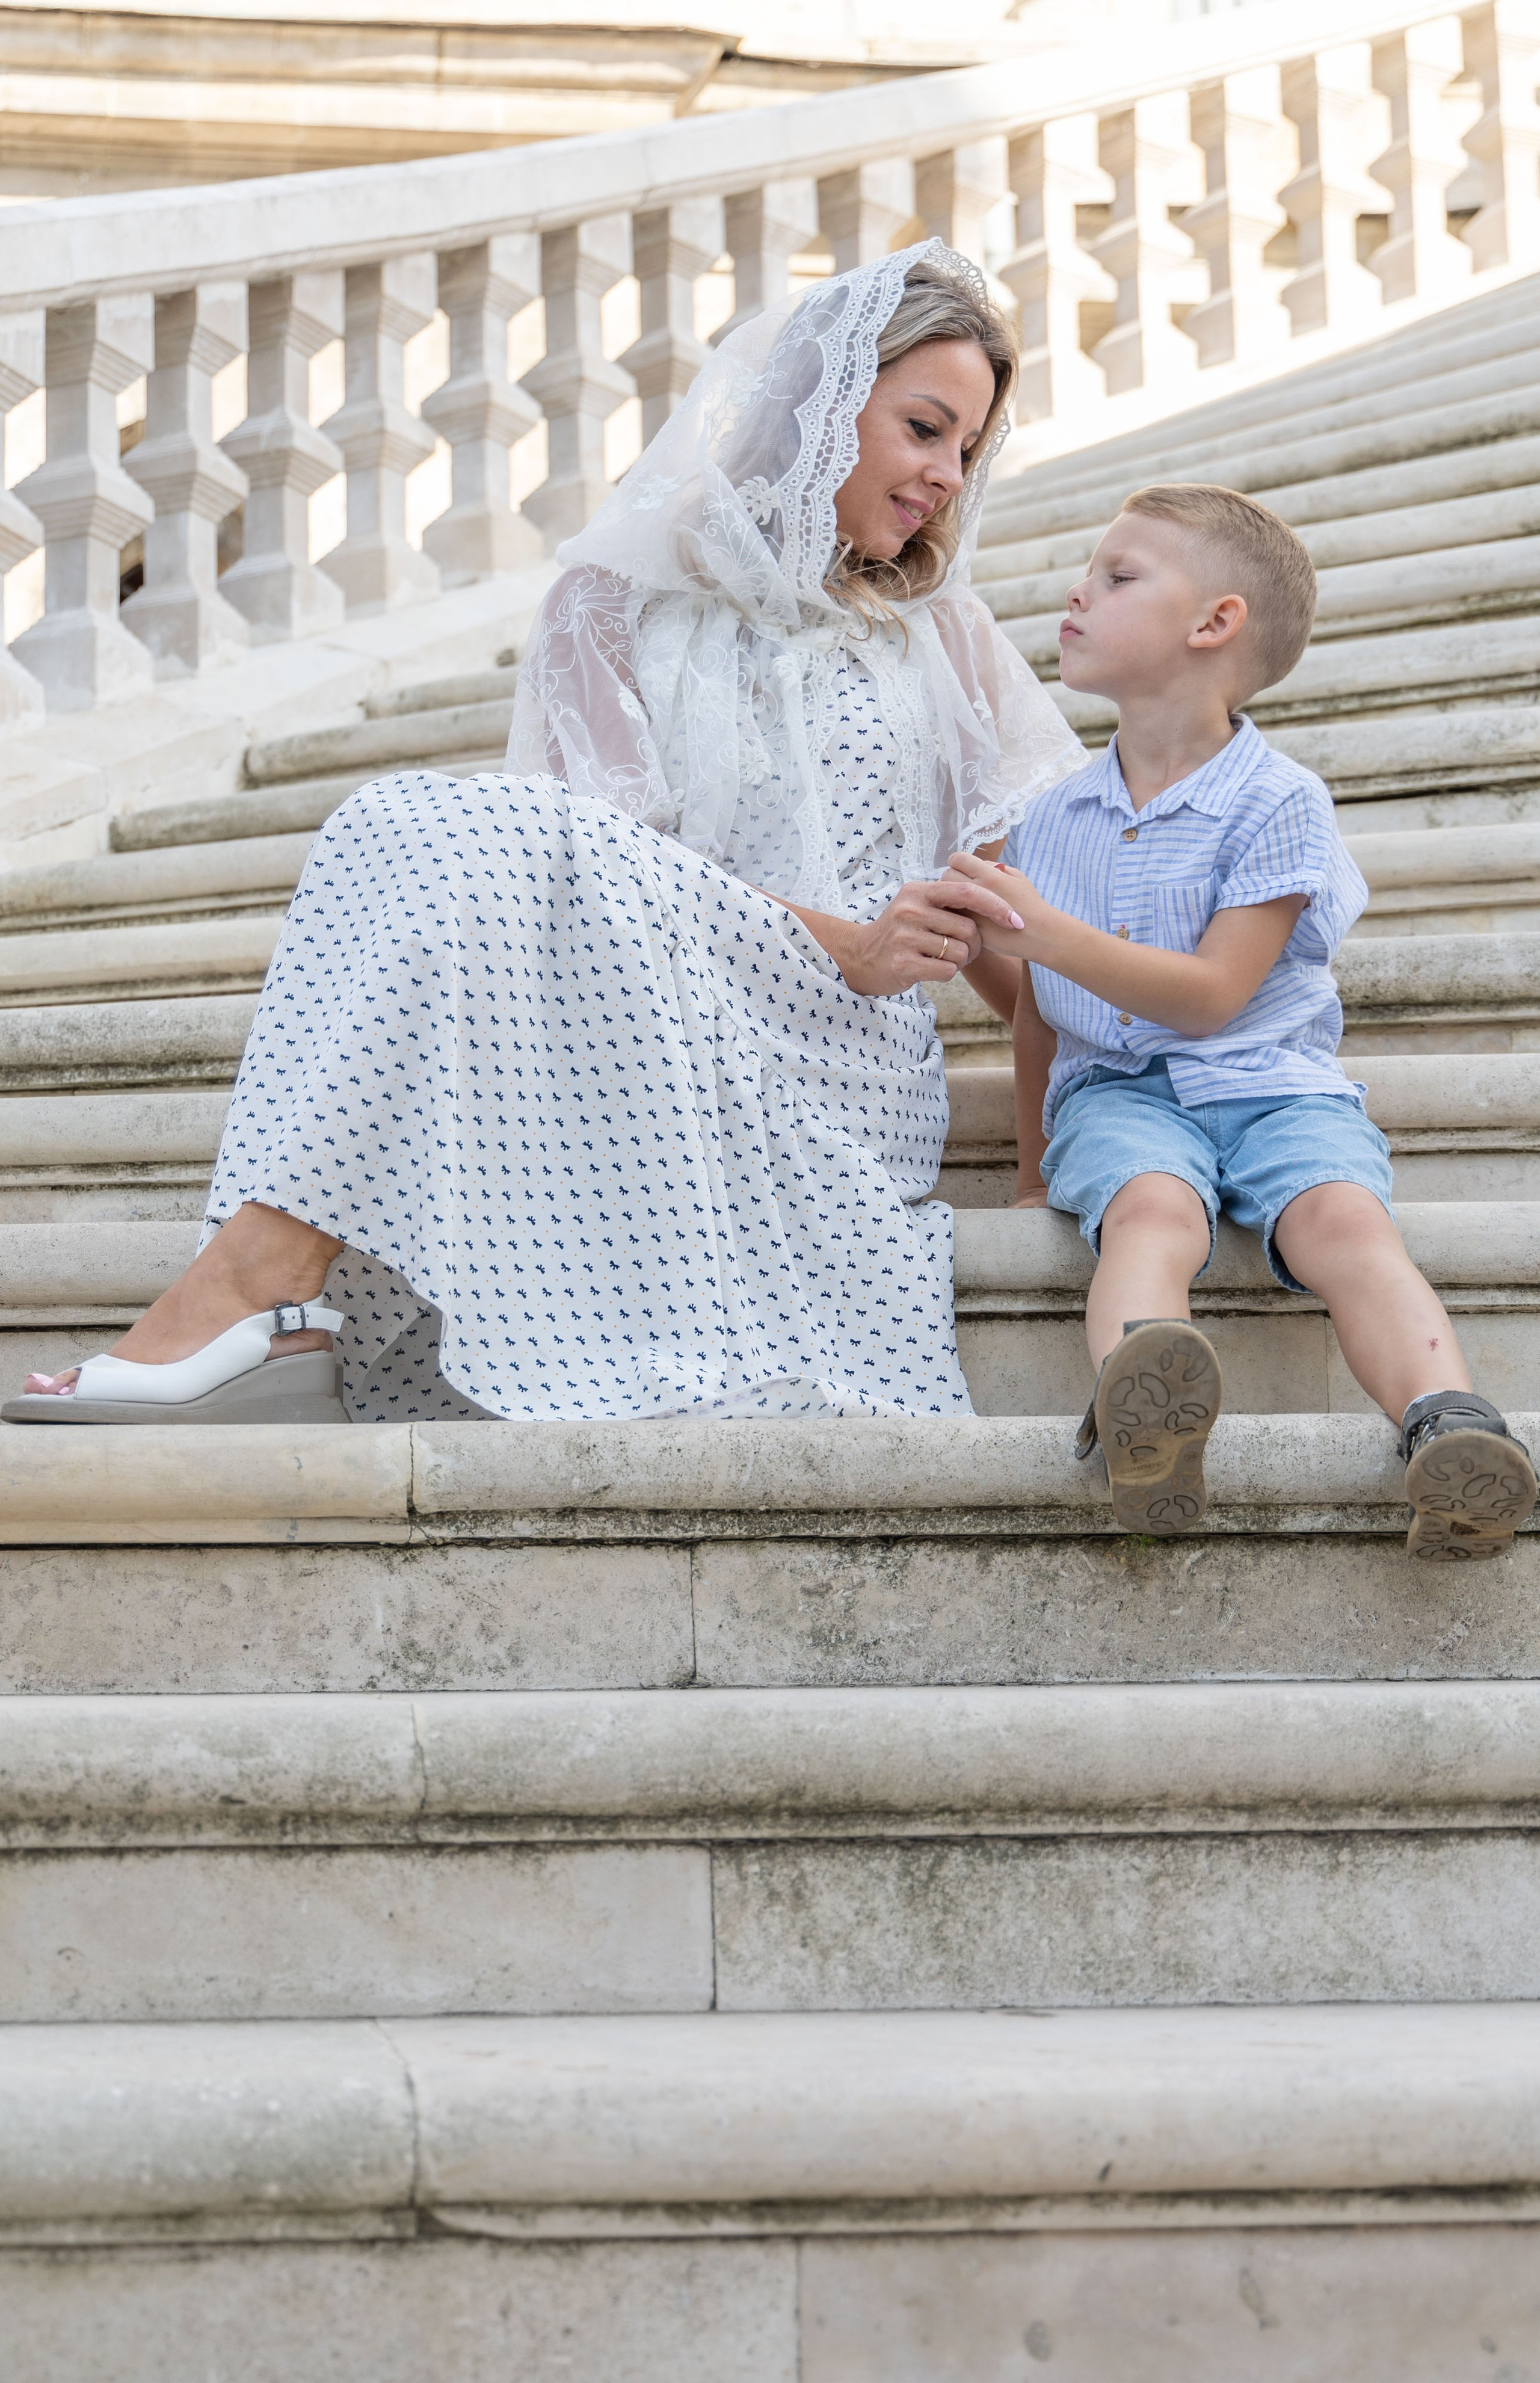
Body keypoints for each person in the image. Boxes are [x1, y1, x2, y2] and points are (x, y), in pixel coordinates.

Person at [5, 242, 1081, 1429]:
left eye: (967, 449)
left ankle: (257, 1295)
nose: (946, 474)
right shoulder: (609, 597)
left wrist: (1052, 1154)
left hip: (837, 1080)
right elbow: (594, 892)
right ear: (822, 401)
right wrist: (854, 939)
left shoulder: (948, 637)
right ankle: (264, 1288)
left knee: (458, 819)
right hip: (642, 1026)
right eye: (923, 427)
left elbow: (1027, 930)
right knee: (410, 819)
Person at [946, 481, 1537, 1561]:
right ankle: (1149, 1402)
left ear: (1215, 624)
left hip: (1274, 1085)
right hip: (1120, 1094)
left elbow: (1217, 992)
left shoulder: (1281, 801)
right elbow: (1040, 1011)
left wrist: (1044, 933)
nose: (1078, 590)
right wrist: (1032, 1169)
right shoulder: (1050, 818)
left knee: (1345, 1226)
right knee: (1152, 1216)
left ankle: (1449, 1425)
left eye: (1119, 576)